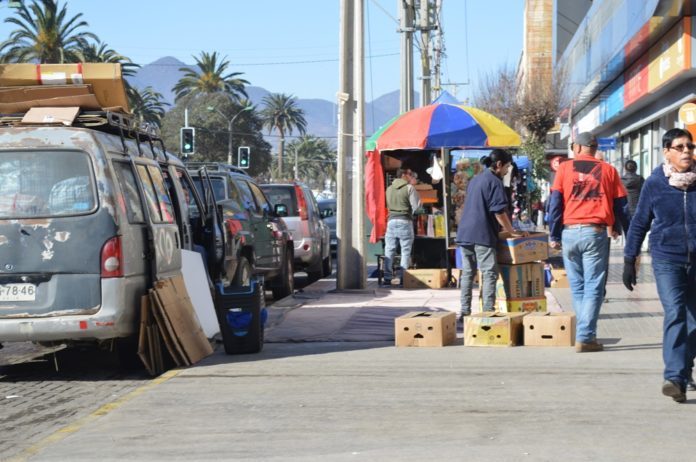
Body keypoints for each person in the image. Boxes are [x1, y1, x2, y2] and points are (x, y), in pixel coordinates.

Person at [623, 128, 696, 403]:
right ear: (667, 151)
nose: (687, 151)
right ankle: (674, 377)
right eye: (680, 147)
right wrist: (630, 259)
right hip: (667, 258)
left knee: (694, 321)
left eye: (690, 146)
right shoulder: (654, 183)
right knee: (676, 312)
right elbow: (640, 221)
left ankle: (684, 370)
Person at [548, 132, 629, 353]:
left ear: (576, 147)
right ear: (594, 148)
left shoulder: (564, 169)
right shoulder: (609, 170)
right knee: (594, 286)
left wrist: (554, 235)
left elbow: (555, 203)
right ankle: (585, 336)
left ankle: (585, 334)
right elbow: (622, 206)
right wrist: (630, 236)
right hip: (595, 232)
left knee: (578, 286)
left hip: (570, 232)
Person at [456, 149, 522, 321]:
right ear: (499, 165)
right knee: (489, 273)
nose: (507, 171)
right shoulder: (495, 181)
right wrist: (511, 231)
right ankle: (487, 312)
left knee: (468, 273)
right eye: (507, 167)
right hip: (482, 234)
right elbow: (499, 212)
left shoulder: (475, 179)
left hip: (464, 233)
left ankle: (464, 311)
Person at [382, 167, 421, 287]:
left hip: (391, 221)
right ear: (404, 175)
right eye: (410, 174)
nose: (411, 176)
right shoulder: (409, 188)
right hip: (405, 221)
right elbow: (417, 207)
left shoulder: (388, 189)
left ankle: (387, 278)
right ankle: (403, 278)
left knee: (389, 250)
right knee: (405, 251)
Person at [621, 159, 645, 226]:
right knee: (637, 231)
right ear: (636, 168)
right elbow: (645, 194)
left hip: (625, 210)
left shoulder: (620, 181)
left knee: (627, 231)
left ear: (625, 169)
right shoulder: (640, 179)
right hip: (638, 209)